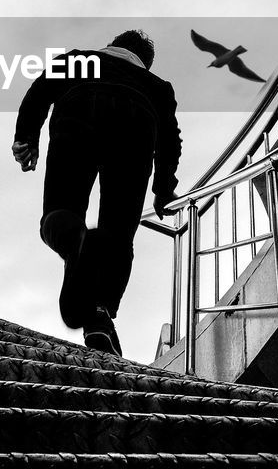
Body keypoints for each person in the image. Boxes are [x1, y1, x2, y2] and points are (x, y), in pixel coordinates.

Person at [12, 29, 181, 356]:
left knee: (61, 211)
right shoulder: (158, 86)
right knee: (118, 233)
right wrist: (163, 190)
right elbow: (169, 143)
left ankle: (75, 238)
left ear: (113, 46)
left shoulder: (79, 60)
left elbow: (39, 92)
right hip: (138, 124)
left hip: (78, 113)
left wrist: (26, 137)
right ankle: (100, 315)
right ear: (144, 62)